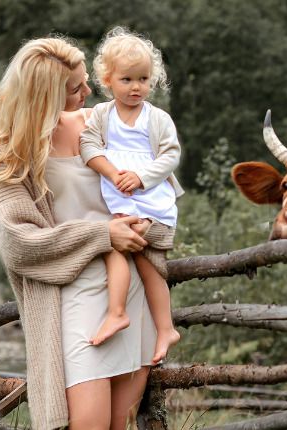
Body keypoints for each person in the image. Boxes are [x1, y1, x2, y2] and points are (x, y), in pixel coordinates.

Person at [0, 36, 154, 430]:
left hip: (126, 290)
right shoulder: (11, 152)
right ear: (42, 97)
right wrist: (101, 235)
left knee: (119, 424)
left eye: (84, 82)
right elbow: (15, 242)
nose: (89, 91)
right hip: (71, 297)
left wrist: (143, 223)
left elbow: (156, 188)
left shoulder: (105, 124)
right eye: (75, 88)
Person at [80, 26, 182, 364]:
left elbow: (170, 156)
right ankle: (155, 324)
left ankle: (120, 313)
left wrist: (140, 177)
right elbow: (88, 145)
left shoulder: (157, 119)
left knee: (128, 245)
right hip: (119, 197)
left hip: (150, 198)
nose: (136, 87)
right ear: (107, 80)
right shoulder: (101, 115)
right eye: (127, 80)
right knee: (136, 254)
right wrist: (112, 173)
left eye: (143, 79)